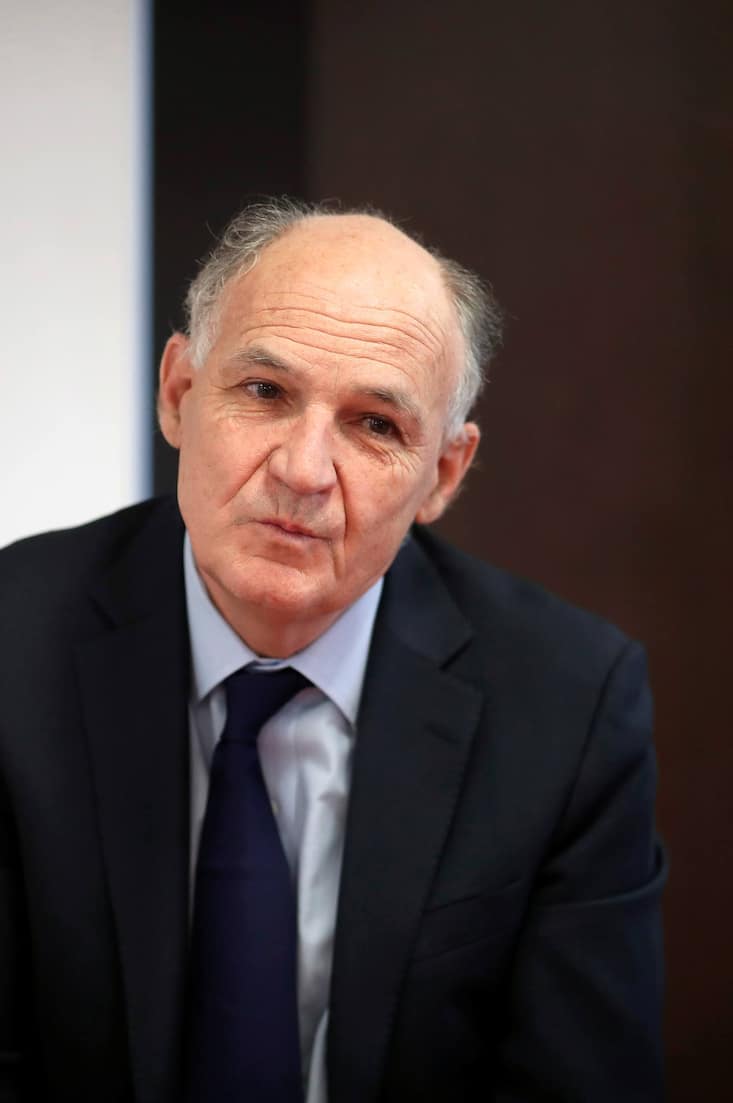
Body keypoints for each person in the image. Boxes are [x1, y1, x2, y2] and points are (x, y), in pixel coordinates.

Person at [0, 200, 665, 1102]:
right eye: (265, 393)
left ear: (443, 473)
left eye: (374, 425)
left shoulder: (566, 703)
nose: (303, 471)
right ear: (178, 394)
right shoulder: (13, 644)